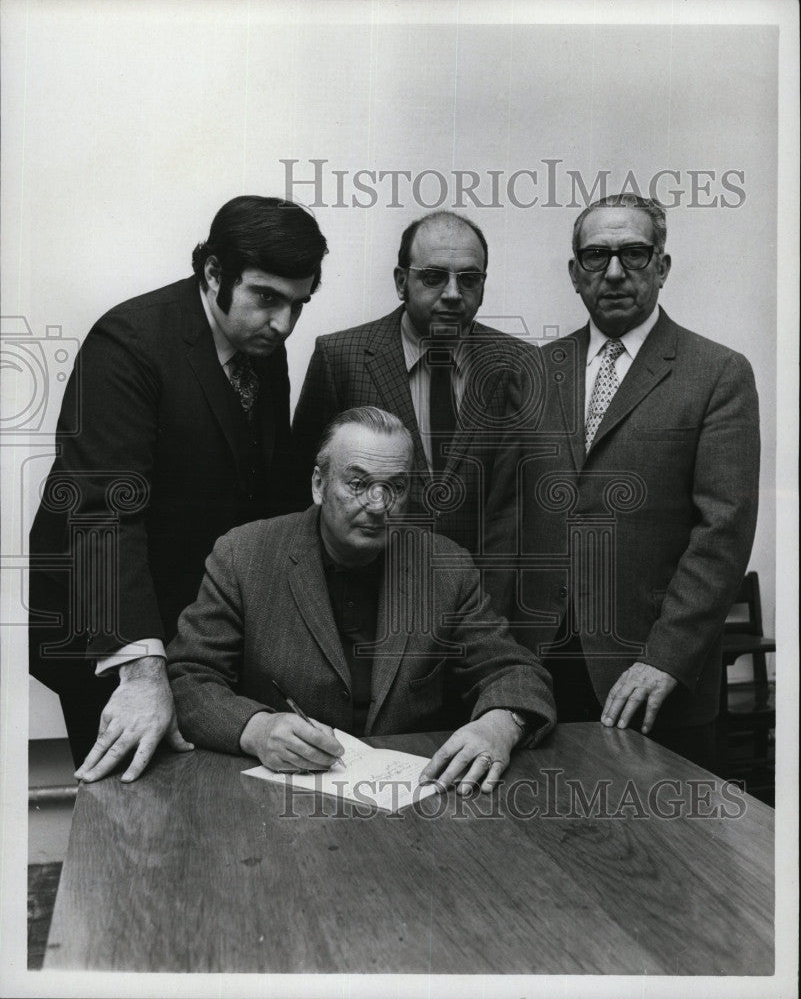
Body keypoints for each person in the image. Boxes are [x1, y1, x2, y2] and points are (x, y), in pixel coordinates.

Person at [29, 195, 328, 782]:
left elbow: (257, 489)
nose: (284, 323)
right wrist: (141, 672)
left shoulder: (264, 346)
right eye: (266, 297)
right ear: (213, 272)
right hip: (104, 627)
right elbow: (103, 515)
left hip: (194, 624)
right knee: (130, 819)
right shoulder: (127, 343)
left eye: (299, 304)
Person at [485, 194, 760, 770]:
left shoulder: (717, 374)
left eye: (634, 254)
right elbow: (506, 520)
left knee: (668, 850)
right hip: (540, 670)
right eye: (595, 257)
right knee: (543, 842)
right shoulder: (535, 371)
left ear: (661, 266)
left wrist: (666, 657)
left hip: (651, 674)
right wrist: (503, 656)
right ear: (574, 273)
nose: (613, 272)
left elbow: (723, 532)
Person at [167, 407, 556, 794]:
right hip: (280, 802)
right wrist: (255, 729)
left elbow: (516, 672)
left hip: (413, 804)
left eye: (396, 487)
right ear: (319, 484)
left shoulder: (445, 567)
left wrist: (501, 725)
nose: (378, 504)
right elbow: (187, 679)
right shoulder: (244, 554)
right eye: (357, 483)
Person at [292, 211, 542, 555]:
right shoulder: (340, 358)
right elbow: (299, 487)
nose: (453, 293)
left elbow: (522, 500)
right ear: (401, 283)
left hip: (477, 591)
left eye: (469, 279)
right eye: (434, 277)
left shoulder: (521, 365)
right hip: (367, 581)